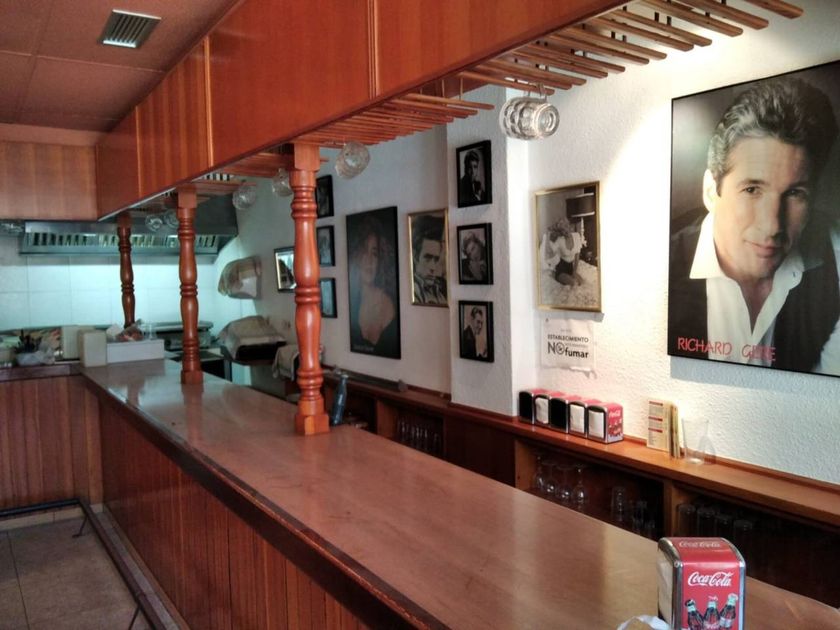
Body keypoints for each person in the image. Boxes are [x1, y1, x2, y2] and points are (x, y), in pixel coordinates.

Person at [669, 77, 840, 372]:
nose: (772, 225)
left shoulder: (836, 260)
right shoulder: (660, 270)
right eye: (752, 189)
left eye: (795, 193)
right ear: (711, 191)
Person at [349, 217, 399, 357]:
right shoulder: (353, 300)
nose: (370, 260)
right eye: (364, 251)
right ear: (356, 256)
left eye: (374, 253)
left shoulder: (386, 304)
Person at [411, 214, 447, 305]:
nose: (433, 267)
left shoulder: (438, 289)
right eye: (427, 258)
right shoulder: (414, 290)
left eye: (436, 259)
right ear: (415, 257)